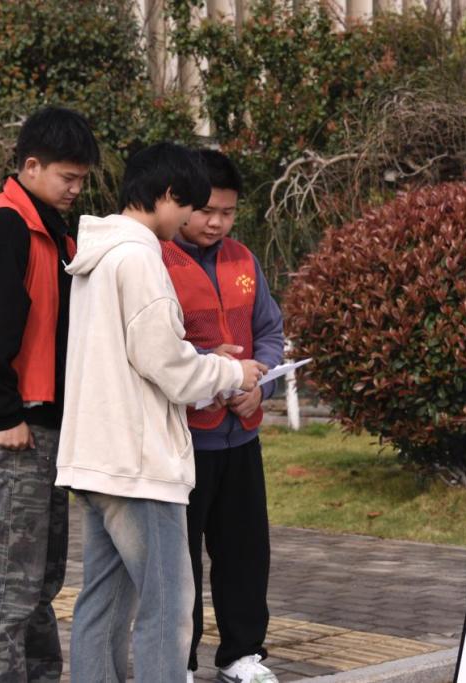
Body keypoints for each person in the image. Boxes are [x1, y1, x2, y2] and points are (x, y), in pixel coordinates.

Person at [56, 141, 266, 683]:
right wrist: (232, 373)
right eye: (190, 207)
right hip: (139, 461)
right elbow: (168, 364)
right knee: (168, 607)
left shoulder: (98, 255)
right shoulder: (140, 258)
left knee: (104, 602)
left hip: (96, 458)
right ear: (168, 195)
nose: (192, 221)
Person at [0, 105, 99, 682]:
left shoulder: (52, 230)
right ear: (31, 166)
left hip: (43, 429)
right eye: (68, 177)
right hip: (14, 429)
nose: (76, 188)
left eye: (81, 178)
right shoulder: (5, 228)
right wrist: (3, 413)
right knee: (4, 583)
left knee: (38, 581)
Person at [161, 149, 284, 683]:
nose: (216, 223)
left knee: (245, 552)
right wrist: (210, 376)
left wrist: (261, 386)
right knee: (180, 560)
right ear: (182, 201)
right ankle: (179, 662)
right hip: (185, 440)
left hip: (242, 437)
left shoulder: (243, 260)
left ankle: (241, 655)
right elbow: (160, 349)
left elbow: (270, 333)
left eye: (228, 212)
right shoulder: (157, 261)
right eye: (207, 210)